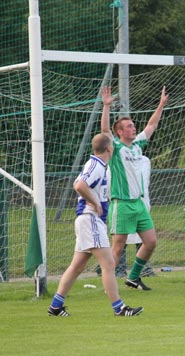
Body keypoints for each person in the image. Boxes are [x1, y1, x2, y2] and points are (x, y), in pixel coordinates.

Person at [47, 133, 143, 317]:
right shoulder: (96, 165)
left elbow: (78, 182)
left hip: (87, 220)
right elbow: (80, 185)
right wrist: (96, 202)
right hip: (90, 219)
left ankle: (56, 307)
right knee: (108, 264)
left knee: (77, 266)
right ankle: (119, 308)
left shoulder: (98, 165)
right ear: (109, 148)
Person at [101, 85, 168, 291]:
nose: (133, 128)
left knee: (151, 241)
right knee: (118, 246)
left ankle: (133, 277)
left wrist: (161, 105)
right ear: (120, 132)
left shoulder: (138, 145)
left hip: (138, 204)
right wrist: (106, 107)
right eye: (129, 126)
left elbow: (151, 125)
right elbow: (104, 131)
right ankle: (109, 284)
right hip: (121, 204)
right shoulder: (116, 148)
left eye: (133, 125)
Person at [116, 155, 155, 277]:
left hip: (141, 204)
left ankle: (143, 268)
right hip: (124, 204)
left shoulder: (144, 160)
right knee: (121, 239)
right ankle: (118, 269)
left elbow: (145, 182)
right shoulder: (117, 160)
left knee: (145, 238)